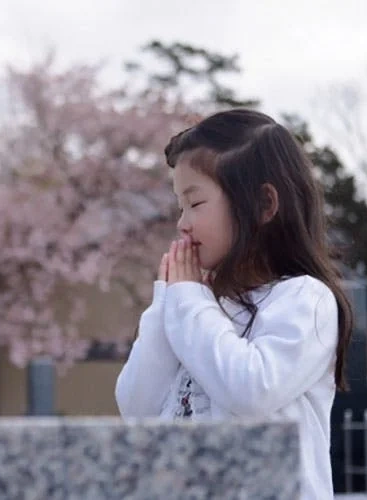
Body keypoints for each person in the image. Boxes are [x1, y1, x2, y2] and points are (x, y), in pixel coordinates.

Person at [115, 108, 353, 499]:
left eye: (195, 203)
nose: (182, 223)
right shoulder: (198, 306)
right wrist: (167, 301)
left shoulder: (304, 299)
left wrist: (189, 299)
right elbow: (136, 407)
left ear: (263, 205)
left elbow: (251, 390)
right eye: (180, 207)